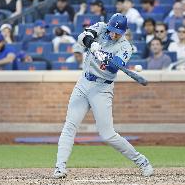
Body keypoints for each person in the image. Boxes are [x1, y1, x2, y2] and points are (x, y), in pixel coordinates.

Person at [53, 13, 153, 179]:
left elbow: (114, 67)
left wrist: (104, 57)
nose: (113, 34)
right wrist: (92, 44)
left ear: (124, 32)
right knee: (70, 126)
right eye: (112, 30)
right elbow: (82, 37)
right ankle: (60, 167)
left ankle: (141, 161)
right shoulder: (101, 27)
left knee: (107, 134)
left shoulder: (125, 47)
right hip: (83, 83)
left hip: (102, 89)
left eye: (117, 33)